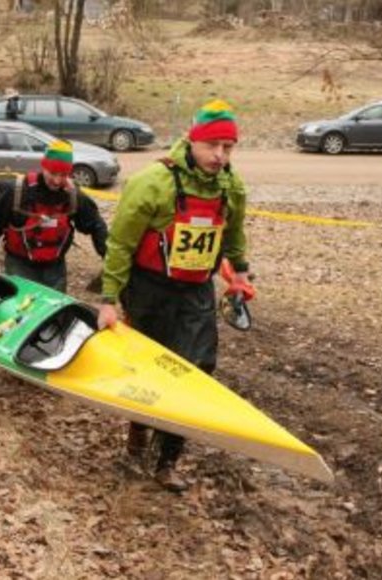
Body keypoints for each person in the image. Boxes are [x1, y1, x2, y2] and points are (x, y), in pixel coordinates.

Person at [96, 100, 251, 492]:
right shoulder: (152, 182)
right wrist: (109, 299)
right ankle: (135, 444)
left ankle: (167, 462)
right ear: (192, 141)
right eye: (212, 146)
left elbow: (233, 235)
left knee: (197, 370)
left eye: (228, 148)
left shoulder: (231, 186)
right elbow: (120, 245)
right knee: (147, 369)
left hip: (196, 290)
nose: (220, 156)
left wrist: (240, 273)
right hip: (149, 289)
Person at [0, 139, 107, 292]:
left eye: (63, 174)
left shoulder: (73, 195)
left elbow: (96, 225)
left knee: (54, 312)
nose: (57, 180)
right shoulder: (16, 191)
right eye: (53, 173)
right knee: (22, 311)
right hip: (19, 265)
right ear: (43, 167)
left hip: (55, 267)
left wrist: (108, 257)